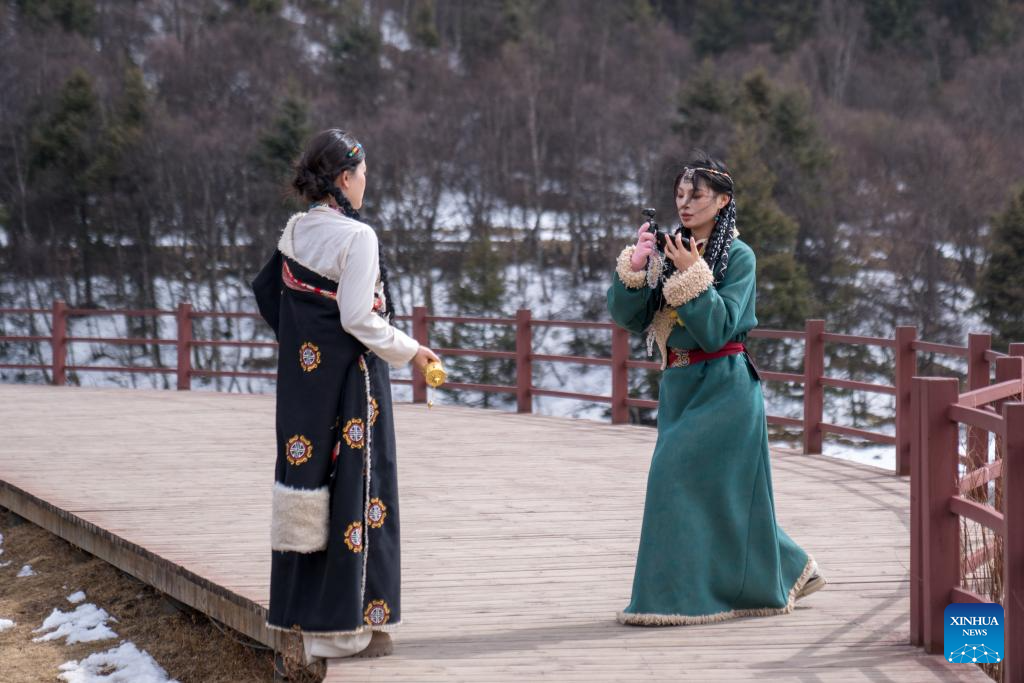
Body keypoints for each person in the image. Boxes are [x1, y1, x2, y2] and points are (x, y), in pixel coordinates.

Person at [607, 152, 825, 626]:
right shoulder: (670, 249)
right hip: (679, 384)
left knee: (672, 478)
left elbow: (718, 329)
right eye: (679, 194)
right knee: (719, 494)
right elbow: (630, 319)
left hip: (725, 384)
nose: (684, 204)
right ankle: (789, 567)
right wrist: (637, 269)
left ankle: (669, 600)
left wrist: (690, 277)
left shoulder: (739, 258)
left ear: (723, 200)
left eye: (696, 195)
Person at [251, 129, 439, 665]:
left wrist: (310, 347)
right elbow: (359, 318)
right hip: (355, 384)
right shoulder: (358, 238)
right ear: (342, 179)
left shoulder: (295, 232)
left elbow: (271, 297)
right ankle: (348, 628)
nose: (366, 183)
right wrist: (413, 350)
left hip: (305, 387)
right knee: (359, 489)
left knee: (309, 487)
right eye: (361, 173)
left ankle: (308, 624)